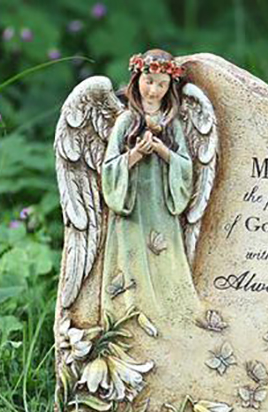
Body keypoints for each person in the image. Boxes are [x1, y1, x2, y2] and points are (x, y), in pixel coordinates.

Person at [100, 49, 206, 332]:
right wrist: (135, 154)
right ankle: (131, 316)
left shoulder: (172, 124)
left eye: (162, 84)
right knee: (133, 259)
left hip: (160, 204)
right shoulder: (125, 121)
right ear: (137, 80)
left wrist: (162, 151)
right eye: (149, 81)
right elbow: (109, 168)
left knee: (163, 255)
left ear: (170, 87)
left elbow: (185, 165)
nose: (154, 90)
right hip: (132, 205)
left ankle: (170, 315)